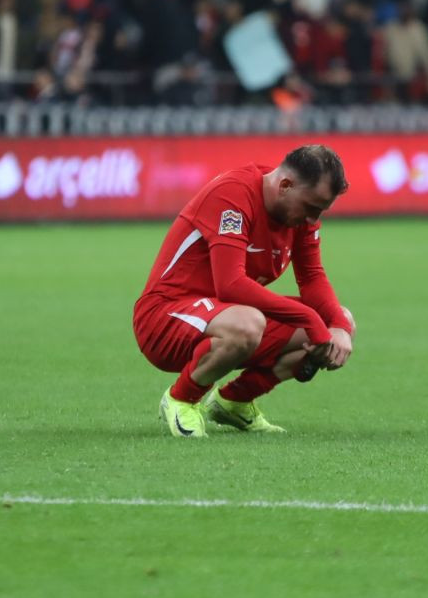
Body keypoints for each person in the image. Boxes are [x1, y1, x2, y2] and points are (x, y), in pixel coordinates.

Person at [134, 145, 356, 438]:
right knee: (250, 323)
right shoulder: (233, 195)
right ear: (286, 186)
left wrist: (338, 327)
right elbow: (231, 285)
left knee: (337, 319)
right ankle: (181, 399)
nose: (314, 220)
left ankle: (234, 402)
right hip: (165, 316)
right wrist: (310, 320)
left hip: (225, 316)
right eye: (312, 208)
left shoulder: (298, 214)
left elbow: (312, 277)